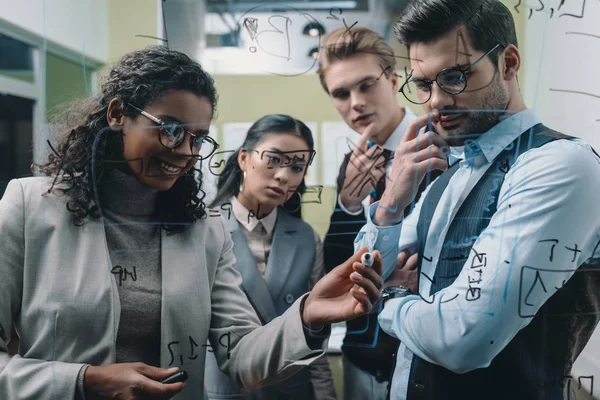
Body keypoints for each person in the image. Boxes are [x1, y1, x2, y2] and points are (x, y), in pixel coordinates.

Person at [0, 45, 384, 400]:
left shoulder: (203, 230)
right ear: (117, 114)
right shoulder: (31, 207)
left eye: (198, 139)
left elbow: (241, 356)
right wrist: (84, 382)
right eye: (169, 129)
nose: (185, 151)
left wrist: (307, 315)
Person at [354, 1, 600, 399]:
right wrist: (391, 205)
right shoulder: (447, 175)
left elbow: (461, 339)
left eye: (454, 76)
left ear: (508, 63)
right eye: (423, 83)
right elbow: (361, 271)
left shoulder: (560, 166)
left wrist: (390, 299)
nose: (435, 101)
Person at [317, 27, 436, 398]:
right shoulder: (351, 164)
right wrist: (349, 203)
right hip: (361, 360)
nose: (355, 102)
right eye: (341, 93)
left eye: (366, 85)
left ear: (394, 79)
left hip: (423, 358)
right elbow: (336, 267)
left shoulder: (439, 145)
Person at [204, 114, 337, 400]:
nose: (283, 176)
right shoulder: (203, 228)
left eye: (297, 168)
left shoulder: (305, 238)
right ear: (243, 159)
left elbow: (316, 330)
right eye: (274, 159)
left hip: (292, 389)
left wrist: (325, 395)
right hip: (230, 389)